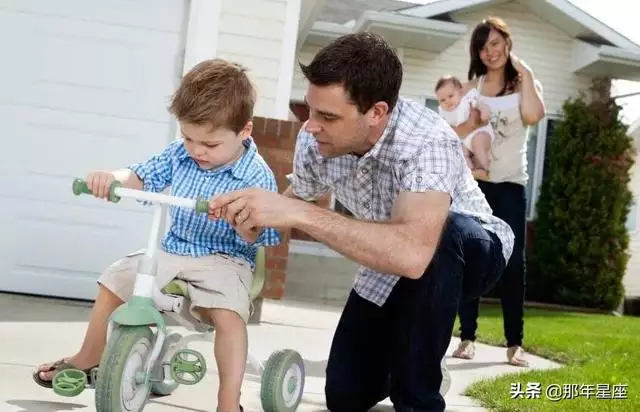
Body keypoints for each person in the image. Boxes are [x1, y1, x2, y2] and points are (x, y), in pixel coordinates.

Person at [208, 32, 515, 412]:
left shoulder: (428, 141)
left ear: (377, 112)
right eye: (310, 110)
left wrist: (302, 214)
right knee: (344, 396)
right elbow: (293, 204)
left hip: (470, 251)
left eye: (328, 116)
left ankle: (419, 398)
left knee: (443, 234)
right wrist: (254, 219)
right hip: (390, 259)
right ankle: (409, 354)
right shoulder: (316, 140)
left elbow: (415, 253)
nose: (312, 126)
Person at [32, 58, 281, 412]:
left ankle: (229, 401)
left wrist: (239, 220)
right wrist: (111, 180)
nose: (196, 150)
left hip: (226, 259)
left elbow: (259, 236)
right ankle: (88, 358)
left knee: (228, 316)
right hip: (174, 250)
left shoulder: (256, 176)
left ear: (245, 131)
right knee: (116, 278)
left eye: (209, 144)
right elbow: (141, 175)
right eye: (188, 137)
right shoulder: (179, 155)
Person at [450, 17, 545, 367]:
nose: (490, 52)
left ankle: (514, 343)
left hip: (510, 184)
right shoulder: (472, 89)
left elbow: (534, 115)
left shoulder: (523, 84)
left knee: (513, 264)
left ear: (507, 41)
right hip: (475, 183)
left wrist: (529, 75)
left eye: (495, 43)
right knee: (471, 255)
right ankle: (467, 337)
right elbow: (457, 132)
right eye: (483, 46)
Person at [435, 75, 495, 180]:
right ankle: (471, 171)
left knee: (478, 145)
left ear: (460, 92)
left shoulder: (467, 99)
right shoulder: (443, 112)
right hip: (464, 139)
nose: (447, 101)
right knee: (460, 152)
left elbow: (480, 104)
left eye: (450, 96)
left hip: (480, 131)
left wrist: (484, 112)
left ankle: (487, 169)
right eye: (442, 100)